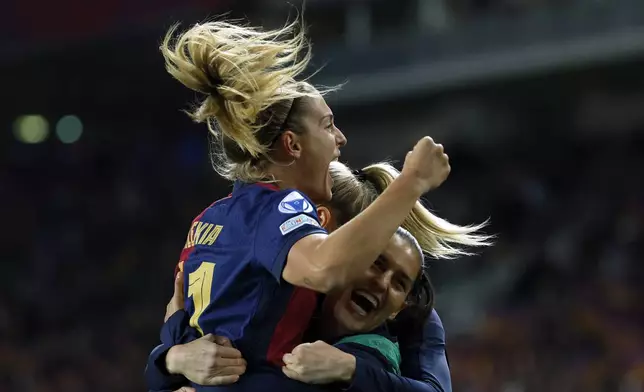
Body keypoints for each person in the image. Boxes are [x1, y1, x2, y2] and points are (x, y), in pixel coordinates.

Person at [158, 16, 456, 389]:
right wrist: (412, 182)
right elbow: (324, 268)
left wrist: (171, 355)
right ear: (293, 145)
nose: (341, 138)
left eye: (400, 282)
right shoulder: (280, 210)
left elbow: (176, 331)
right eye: (328, 125)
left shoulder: (209, 219)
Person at [146, 161, 490, 392]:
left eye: (400, 282)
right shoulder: (274, 293)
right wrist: (175, 357)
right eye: (375, 262)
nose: (383, 283)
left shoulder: (406, 321)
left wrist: (352, 369)